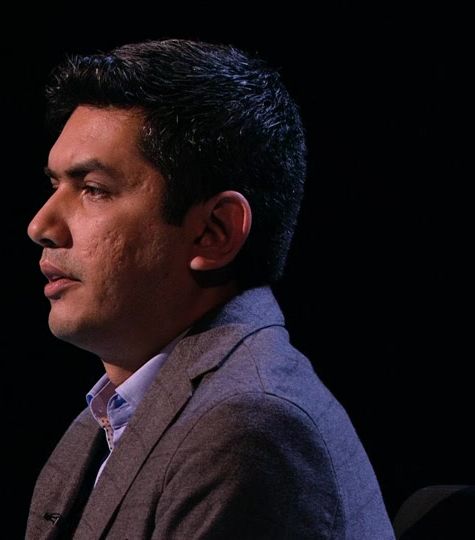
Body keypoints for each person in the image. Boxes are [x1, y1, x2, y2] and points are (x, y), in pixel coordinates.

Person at [24, 38, 395, 539]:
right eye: (55, 186)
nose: (41, 226)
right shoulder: (110, 418)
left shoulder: (246, 427)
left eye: (94, 189)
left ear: (214, 233)